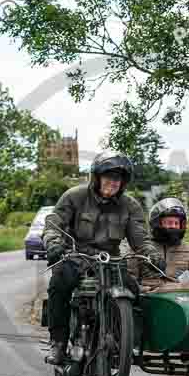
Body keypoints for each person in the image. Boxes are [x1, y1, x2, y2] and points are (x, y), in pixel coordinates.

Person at [42, 151, 165, 364]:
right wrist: (53, 243)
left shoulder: (130, 206)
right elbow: (54, 223)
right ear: (96, 177)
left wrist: (152, 255)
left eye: (118, 178)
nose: (113, 182)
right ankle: (58, 343)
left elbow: (141, 240)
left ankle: (123, 339)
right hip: (76, 257)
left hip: (111, 262)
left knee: (134, 290)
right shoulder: (75, 196)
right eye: (108, 176)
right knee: (60, 284)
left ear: (123, 182)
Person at [127, 198, 189, 295]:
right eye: (169, 223)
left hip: (183, 294)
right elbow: (130, 278)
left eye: (176, 223)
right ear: (156, 223)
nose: (174, 226)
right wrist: (142, 289)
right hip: (152, 296)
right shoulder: (142, 247)